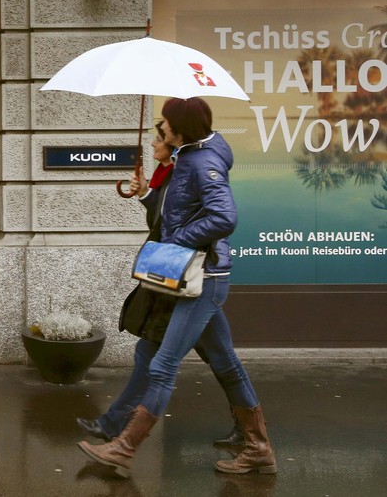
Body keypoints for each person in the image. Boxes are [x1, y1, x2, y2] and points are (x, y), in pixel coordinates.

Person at [78, 97, 277, 477]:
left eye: (165, 124)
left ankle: (124, 446)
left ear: (181, 130)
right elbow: (175, 211)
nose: (161, 129)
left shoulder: (202, 163)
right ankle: (258, 446)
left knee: (163, 364)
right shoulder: (188, 158)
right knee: (224, 362)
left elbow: (223, 216)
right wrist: (148, 195)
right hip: (195, 277)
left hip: (203, 280)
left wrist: (179, 240)